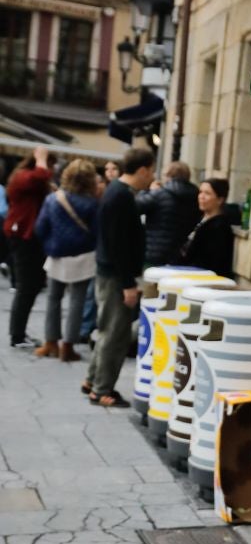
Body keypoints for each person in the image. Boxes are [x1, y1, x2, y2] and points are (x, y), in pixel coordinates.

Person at [85, 146, 155, 407]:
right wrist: (128, 283)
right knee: (115, 334)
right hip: (115, 276)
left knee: (107, 330)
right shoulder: (121, 197)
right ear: (143, 170)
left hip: (109, 271)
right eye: (151, 170)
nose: (152, 175)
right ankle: (102, 390)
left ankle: (92, 381)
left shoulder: (118, 192)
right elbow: (119, 245)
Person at [33, 158, 99, 362]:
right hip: (83, 255)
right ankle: (68, 347)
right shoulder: (93, 204)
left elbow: (40, 228)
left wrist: (50, 245)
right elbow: (97, 232)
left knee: (53, 299)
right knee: (77, 302)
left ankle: (50, 342)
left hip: (57, 254)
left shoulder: (53, 199)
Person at [4, 148, 56, 347]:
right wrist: (41, 158)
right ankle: (17, 336)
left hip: (30, 237)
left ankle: (19, 333)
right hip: (23, 237)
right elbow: (40, 175)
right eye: (50, 165)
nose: (50, 170)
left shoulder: (29, 180)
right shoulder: (23, 176)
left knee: (32, 285)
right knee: (26, 287)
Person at [138, 160, 200, 267]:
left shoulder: (160, 194)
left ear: (168, 176)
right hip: (181, 253)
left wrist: (148, 191)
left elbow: (136, 207)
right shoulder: (196, 196)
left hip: (155, 252)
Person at [177, 176, 236, 278]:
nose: (201, 197)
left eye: (207, 193)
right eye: (200, 192)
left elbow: (212, 261)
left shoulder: (219, 227)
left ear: (220, 200)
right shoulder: (200, 220)